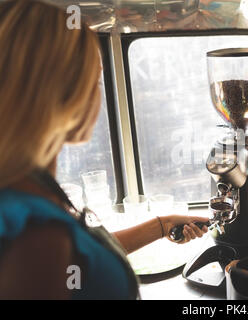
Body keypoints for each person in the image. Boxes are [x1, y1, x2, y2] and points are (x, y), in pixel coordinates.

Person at [0, 0, 208, 299]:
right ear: (61, 92)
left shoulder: (28, 187)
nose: (98, 95)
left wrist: (161, 226)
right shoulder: (37, 233)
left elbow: (84, 257)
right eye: (94, 80)